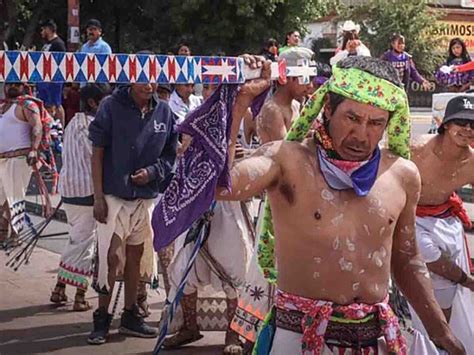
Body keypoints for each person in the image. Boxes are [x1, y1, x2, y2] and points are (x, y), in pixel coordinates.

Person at [195, 55, 464, 354]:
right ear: (327, 108)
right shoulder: (287, 161)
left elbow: (407, 259)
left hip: (374, 340)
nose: (362, 135)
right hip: (296, 339)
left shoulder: (401, 175)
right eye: (352, 118)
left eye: (376, 123)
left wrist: (441, 332)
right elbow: (219, 186)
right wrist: (239, 102)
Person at [87, 66, 178, 344]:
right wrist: (98, 196)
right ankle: (101, 318)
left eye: (152, 79)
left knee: (137, 259)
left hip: (145, 197)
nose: (148, 85)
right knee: (112, 258)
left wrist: (151, 173)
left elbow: (169, 156)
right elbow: (97, 152)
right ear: (130, 77)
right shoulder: (111, 106)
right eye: (142, 78)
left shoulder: (163, 111)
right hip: (114, 196)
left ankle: (129, 316)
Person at [409, 95, 474, 353]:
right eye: (461, 122)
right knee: (433, 276)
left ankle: (444, 346)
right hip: (411, 218)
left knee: (446, 293)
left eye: (472, 124)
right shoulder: (418, 148)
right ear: (446, 124)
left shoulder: (472, 161)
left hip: (447, 221)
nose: (467, 129)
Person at [50, 84, 110, 311]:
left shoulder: (72, 123)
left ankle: (59, 289)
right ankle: (79, 295)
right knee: (86, 243)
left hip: (69, 190)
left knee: (76, 239)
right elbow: (99, 159)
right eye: (104, 101)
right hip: (87, 191)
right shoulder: (93, 127)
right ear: (94, 103)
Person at [0, 82, 42, 247]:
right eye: (10, 83)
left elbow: (37, 126)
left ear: (24, 86)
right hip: (2, 160)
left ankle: (15, 236)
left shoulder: (28, 105)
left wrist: (34, 149)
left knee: (14, 198)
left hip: (18, 159)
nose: (13, 86)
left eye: (17, 84)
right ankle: (3, 233)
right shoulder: (3, 106)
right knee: (2, 199)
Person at [256, 47, 315, 144]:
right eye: (306, 79)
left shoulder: (295, 105)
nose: (310, 86)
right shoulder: (273, 110)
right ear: (287, 78)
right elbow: (284, 150)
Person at [36, 19, 66, 126]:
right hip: (44, 79)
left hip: (54, 79)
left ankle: (60, 128)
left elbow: (61, 62)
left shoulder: (58, 44)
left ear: (49, 29)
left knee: (56, 104)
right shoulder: (46, 44)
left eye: (43, 29)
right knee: (46, 104)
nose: (42, 32)